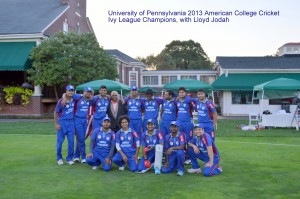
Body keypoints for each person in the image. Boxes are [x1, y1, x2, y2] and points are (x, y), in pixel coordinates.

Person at [71, 87, 94, 163]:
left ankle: (76, 156)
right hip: (77, 120)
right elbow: (67, 94)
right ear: (84, 92)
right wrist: (64, 98)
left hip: (85, 120)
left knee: (80, 139)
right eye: (87, 92)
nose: (88, 93)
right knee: (81, 138)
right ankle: (83, 157)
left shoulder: (89, 100)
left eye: (90, 92)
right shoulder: (78, 97)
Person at [54, 85, 75, 165]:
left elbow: (87, 95)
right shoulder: (61, 101)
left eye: (72, 90)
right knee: (60, 142)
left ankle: (69, 159)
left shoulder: (74, 100)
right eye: (69, 90)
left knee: (71, 142)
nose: (70, 92)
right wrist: (56, 124)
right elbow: (55, 112)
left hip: (71, 123)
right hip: (62, 123)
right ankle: (59, 158)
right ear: (66, 91)